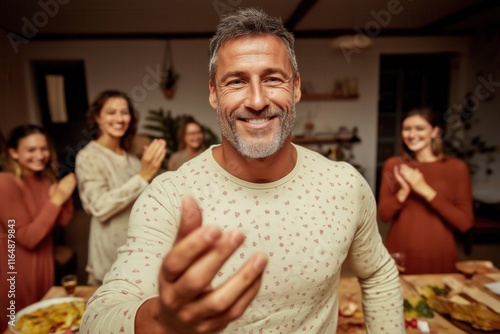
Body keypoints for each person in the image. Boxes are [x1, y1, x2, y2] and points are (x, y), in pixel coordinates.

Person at [81, 8, 403, 333]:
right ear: (213, 93)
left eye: (273, 79)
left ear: (296, 87)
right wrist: (159, 320)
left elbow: (378, 273)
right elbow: (99, 316)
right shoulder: (169, 197)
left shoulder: (344, 184)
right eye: (236, 81)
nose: (257, 100)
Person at [75, 90, 166, 285]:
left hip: (137, 252)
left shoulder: (132, 159)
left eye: (124, 112)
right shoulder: (88, 156)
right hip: (109, 255)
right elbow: (99, 207)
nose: (119, 118)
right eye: (111, 112)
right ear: (97, 117)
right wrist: (142, 177)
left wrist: (152, 172)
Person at [378, 108, 474, 274]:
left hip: (439, 254)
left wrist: (424, 190)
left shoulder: (457, 168)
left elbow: (464, 223)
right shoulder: (393, 165)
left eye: (420, 128)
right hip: (399, 253)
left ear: (435, 132)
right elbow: (384, 215)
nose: (412, 134)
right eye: (407, 129)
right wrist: (403, 193)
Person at [0, 124, 75, 331]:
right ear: (13, 153)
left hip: (43, 262)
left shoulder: (43, 179)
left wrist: (64, 195)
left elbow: (62, 221)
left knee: (45, 323)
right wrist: (58, 199)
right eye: (31, 150)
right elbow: (26, 237)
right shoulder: (5, 183)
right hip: (15, 270)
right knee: (18, 326)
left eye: (44, 149)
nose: (40, 155)